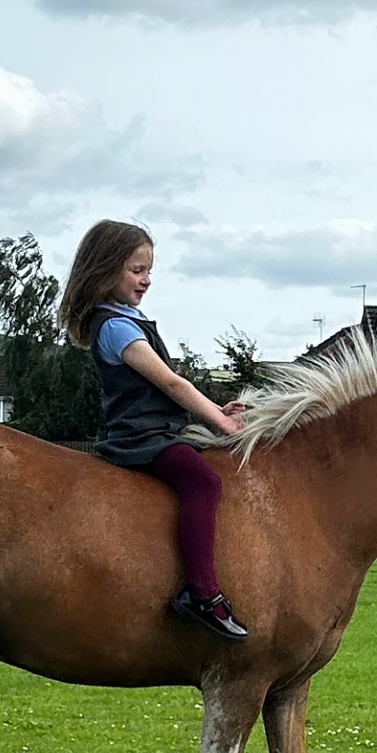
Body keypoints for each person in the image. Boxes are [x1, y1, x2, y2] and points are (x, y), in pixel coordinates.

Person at [59, 219, 249, 639]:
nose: (146, 280)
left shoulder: (129, 318)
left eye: (149, 271)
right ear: (107, 270)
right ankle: (202, 594)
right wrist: (218, 421)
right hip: (140, 438)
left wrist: (219, 407)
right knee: (204, 484)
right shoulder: (116, 327)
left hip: (156, 431)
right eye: (137, 270)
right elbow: (170, 382)